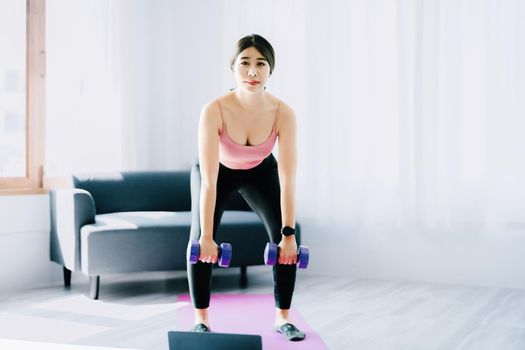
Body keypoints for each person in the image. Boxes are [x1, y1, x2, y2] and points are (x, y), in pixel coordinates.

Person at [187, 34, 305, 342]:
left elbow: (288, 179)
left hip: (260, 170)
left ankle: (283, 317)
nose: (252, 72)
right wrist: (208, 237)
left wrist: (289, 235)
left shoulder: (284, 113)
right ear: (233, 67)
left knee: (286, 235)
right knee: (200, 240)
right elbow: (210, 181)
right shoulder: (214, 109)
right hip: (217, 171)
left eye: (261, 64)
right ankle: (200, 318)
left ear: (270, 70)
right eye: (245, 63)